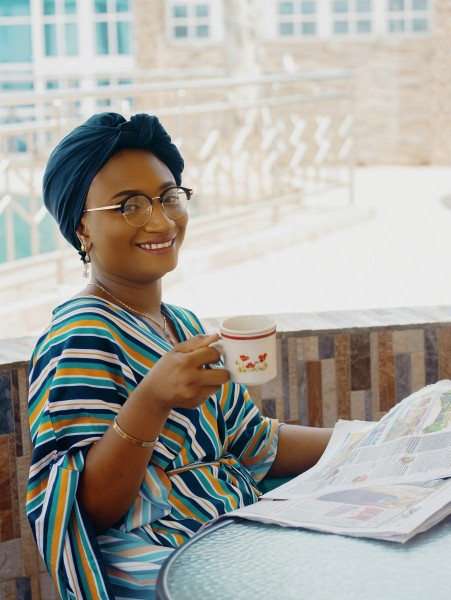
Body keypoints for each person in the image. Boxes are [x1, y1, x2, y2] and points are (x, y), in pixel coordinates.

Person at [26, 112, 333, 599]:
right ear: (81, 227)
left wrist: (378, 438)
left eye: (168, 197)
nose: (161, 220)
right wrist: (151, 400)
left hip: (234, 536)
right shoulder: (81, 334)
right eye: (128, 206)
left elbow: (253, 442)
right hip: (166, 567)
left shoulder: (185, 325)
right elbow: (87, 508)